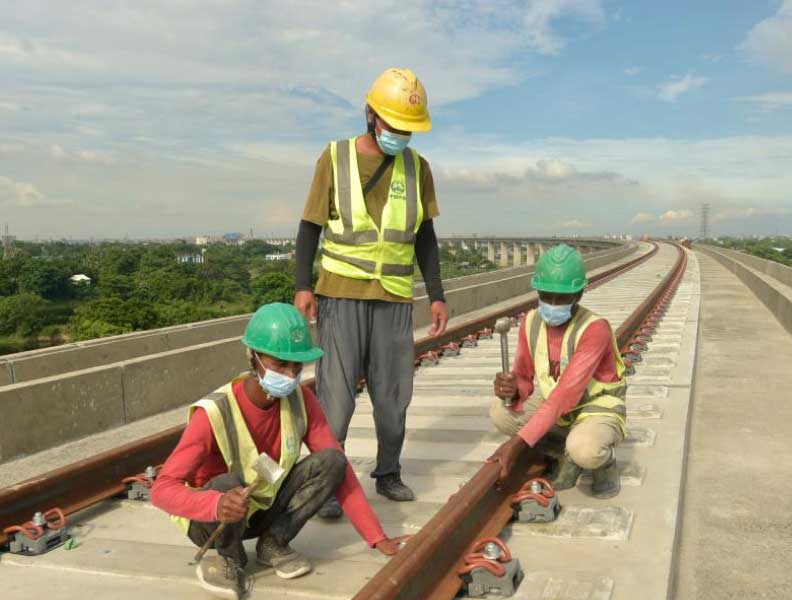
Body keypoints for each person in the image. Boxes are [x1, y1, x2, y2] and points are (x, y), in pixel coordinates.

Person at [152, 303, 405, 600]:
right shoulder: (214, 412)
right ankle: (228, 558)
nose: (290, 374)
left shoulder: (301, 400)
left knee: (331, 461)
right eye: (280, 364)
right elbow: (161, 490)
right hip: (214, 520)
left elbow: (341, 471)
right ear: (253, 357)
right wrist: (215, 504)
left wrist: (376, 538)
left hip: (260, 507)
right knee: (227, 483)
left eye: (296, 366)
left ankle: (273, 542)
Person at [293, 67, 448, 518]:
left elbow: (425, 236)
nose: (400, 135)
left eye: (408, 129)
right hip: (339, 294)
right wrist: (304, 285)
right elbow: (309, 227)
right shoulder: (334, 158)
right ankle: (328, 482)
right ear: (370, 115)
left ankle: (388, 472)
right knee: (336, 400)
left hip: (395, 296)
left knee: (393, 395)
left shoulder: (418, 168)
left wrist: (435, 293)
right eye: (394, 125)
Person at [486, 245, 627, 498]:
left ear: (580, 294)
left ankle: (604, 464)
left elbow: (565, 395)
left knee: (585, 449)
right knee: (500, 412)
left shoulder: (595, 329)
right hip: (558, 405)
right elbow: (525, 378)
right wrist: (513, 388)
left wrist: (516, 444)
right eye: (546, 295)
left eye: (561, 298)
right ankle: (564, 456)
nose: (552, 304)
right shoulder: (530, 322)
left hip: (595, 405)